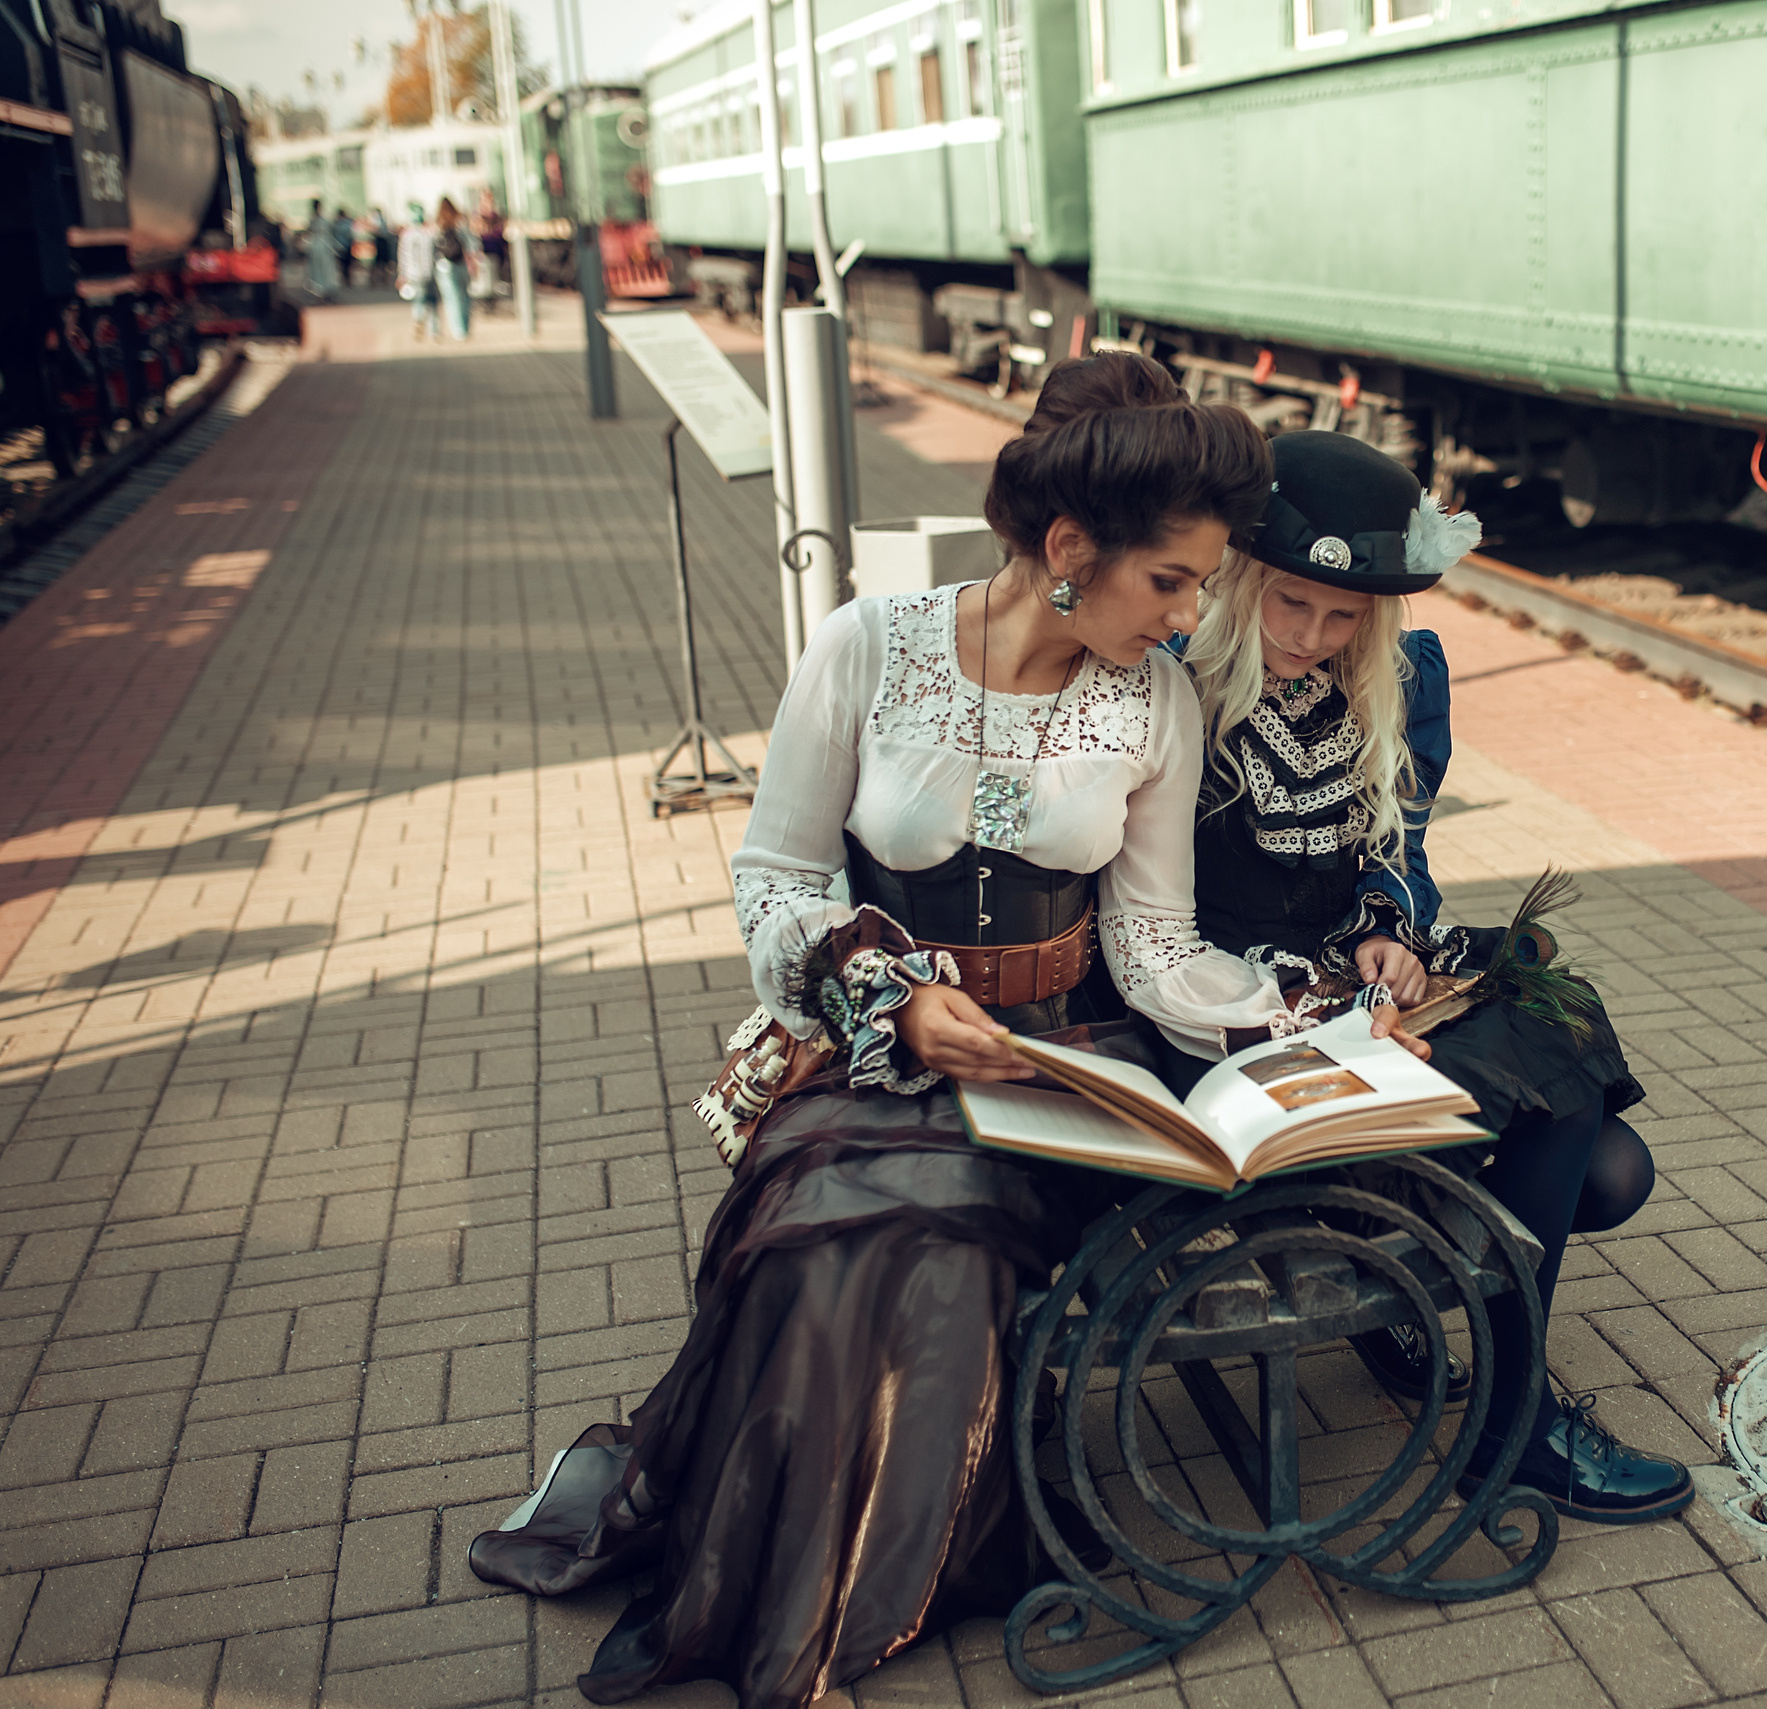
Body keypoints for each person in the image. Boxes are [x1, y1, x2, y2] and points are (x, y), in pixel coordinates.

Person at [469, 353, 1297, 1707]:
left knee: (934, 1236)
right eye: (1170, 581)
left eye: (1201, 585)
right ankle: (792, 1585)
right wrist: (892, 994)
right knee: (822, 1227)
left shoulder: (1156, 697)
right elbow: (778, 875)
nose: (1190, 615)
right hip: (864, 1048)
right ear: (1069, 550)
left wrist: (1298, 1013)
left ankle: (849, 1595)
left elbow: (1154, 943)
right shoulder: (867, 643)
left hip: (1054, 1062)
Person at [1173, 430, 1690, 1525]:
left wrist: (1387, 932)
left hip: (1360, 995)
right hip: (1226, 1010)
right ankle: (1512, 1421)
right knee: (1596, 1164)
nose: (1312, 636)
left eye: (1342, 616)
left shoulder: (1401, 678)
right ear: (1241, 579)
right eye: (1290, 603)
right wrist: (1295, 990)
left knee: (1600, 1136)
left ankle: (1478, 1374)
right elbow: (1153, 917)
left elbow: (1399, 850)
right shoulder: (1174, 683)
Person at [395, 204, 440, 340]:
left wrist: (402, 275)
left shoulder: (406, 235)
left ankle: (418, 318)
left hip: (412, 273)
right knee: (432, 301)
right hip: (429, 272)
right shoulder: (429, 233)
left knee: (418, 300)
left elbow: (402, 257)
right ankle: (434, 331)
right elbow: (436, 254)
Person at [432, 196, 473, 339]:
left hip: (444, 266)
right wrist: (472, 263)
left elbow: (434, 247)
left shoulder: (437, 223)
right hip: (461, 263)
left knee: (451, 298)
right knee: (464, 296)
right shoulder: (460, 221)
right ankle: (465, 326)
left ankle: (458, 330)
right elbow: (471, 244)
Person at [302, 209, 340, 301]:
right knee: (324, 269)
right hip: (322, 246)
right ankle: (323, 289)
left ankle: (323, 289)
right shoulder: (321, 221)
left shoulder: (314, 221)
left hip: (318, 247)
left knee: (320, 269)